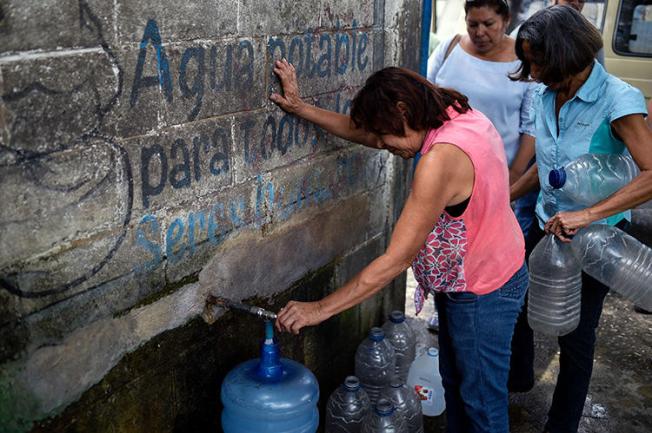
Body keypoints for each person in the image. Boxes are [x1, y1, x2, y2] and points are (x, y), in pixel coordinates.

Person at [271, 60, 528, 433]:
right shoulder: (456, 112)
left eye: (386, 137)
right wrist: (301, 108)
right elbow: (370, 134)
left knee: (483, 405)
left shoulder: (440, 160)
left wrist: (320, 309)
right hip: (481, 273)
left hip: (482, 291)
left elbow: (397, 259)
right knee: (458, 387)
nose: (383, 147)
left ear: (403, 111)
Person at [508, 6, 652, 433]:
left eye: (539, 61)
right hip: (546, 223)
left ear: (567, 53)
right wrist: (502, 198)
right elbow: (548, 164)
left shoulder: (619, 100)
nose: (532, 73)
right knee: (517, 302)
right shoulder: (544, 94)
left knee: (576, 334)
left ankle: (563, 423)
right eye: (528, 61)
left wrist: (586, 215)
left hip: (598, 238)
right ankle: (518, 379)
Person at [427, 0, 537, 332]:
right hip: (449, 181)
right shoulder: (449, 49)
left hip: (497, 181)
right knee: (446, 249)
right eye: (472, 24)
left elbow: (530, 127)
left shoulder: (524, 64)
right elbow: (426, 95)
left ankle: (481, 325)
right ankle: (447, 311)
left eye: (488, 24)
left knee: (486, 261)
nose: (479, 32)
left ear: (506, 20)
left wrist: (512, 180)